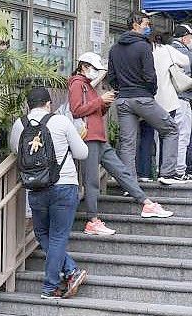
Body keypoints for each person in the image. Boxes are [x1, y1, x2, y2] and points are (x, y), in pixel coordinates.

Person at [70, 53, 173, 236]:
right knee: (92, 180)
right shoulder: (78, 84)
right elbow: (76, 110)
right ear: (83, 66)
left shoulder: (86, 85)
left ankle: (146, 203)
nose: (96, 72)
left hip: (97, 137)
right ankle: (92, 220)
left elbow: (92, 111)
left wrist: (104, 104)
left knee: (121, 171)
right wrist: (100, 101)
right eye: (94, 68)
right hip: (89, 138)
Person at [10, 87, 88, 299]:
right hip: (64, 185)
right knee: (58, 236)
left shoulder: (20, 124)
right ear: (48, 103)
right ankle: (51, 286)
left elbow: (15, 150)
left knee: (41, 233)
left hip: (36, 186)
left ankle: (71, 271)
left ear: (29, 105)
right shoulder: (61, 121)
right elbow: (82, 152)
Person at [108, 11, 184, 184]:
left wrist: (122, 89)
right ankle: (167, 174)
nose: (148, 28)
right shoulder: (144, 46)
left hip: (123, 100)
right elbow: (150, 76)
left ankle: (129, 184)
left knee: (128, 144)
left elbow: (111, 77)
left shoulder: (114, 48)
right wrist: (151, 92)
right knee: (171, 128)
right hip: (143, 97)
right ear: (135, 24)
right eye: (146, 24)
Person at [152, 30, 191, 179]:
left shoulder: (153, 52)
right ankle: (176, 170)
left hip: (157, 100)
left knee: (159, 136)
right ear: (185, 38)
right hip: (177, 99)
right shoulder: (175, 51)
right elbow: (186, 63)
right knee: (178, 135)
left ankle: (158, 169)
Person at [171, 24, 192, 178]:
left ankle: (165, 169)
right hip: (182, 98)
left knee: (167, 135)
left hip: (166, 100)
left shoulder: (165, 50)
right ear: (185, 37)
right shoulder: (185, 52)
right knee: (182, 135)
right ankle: (179, 170)